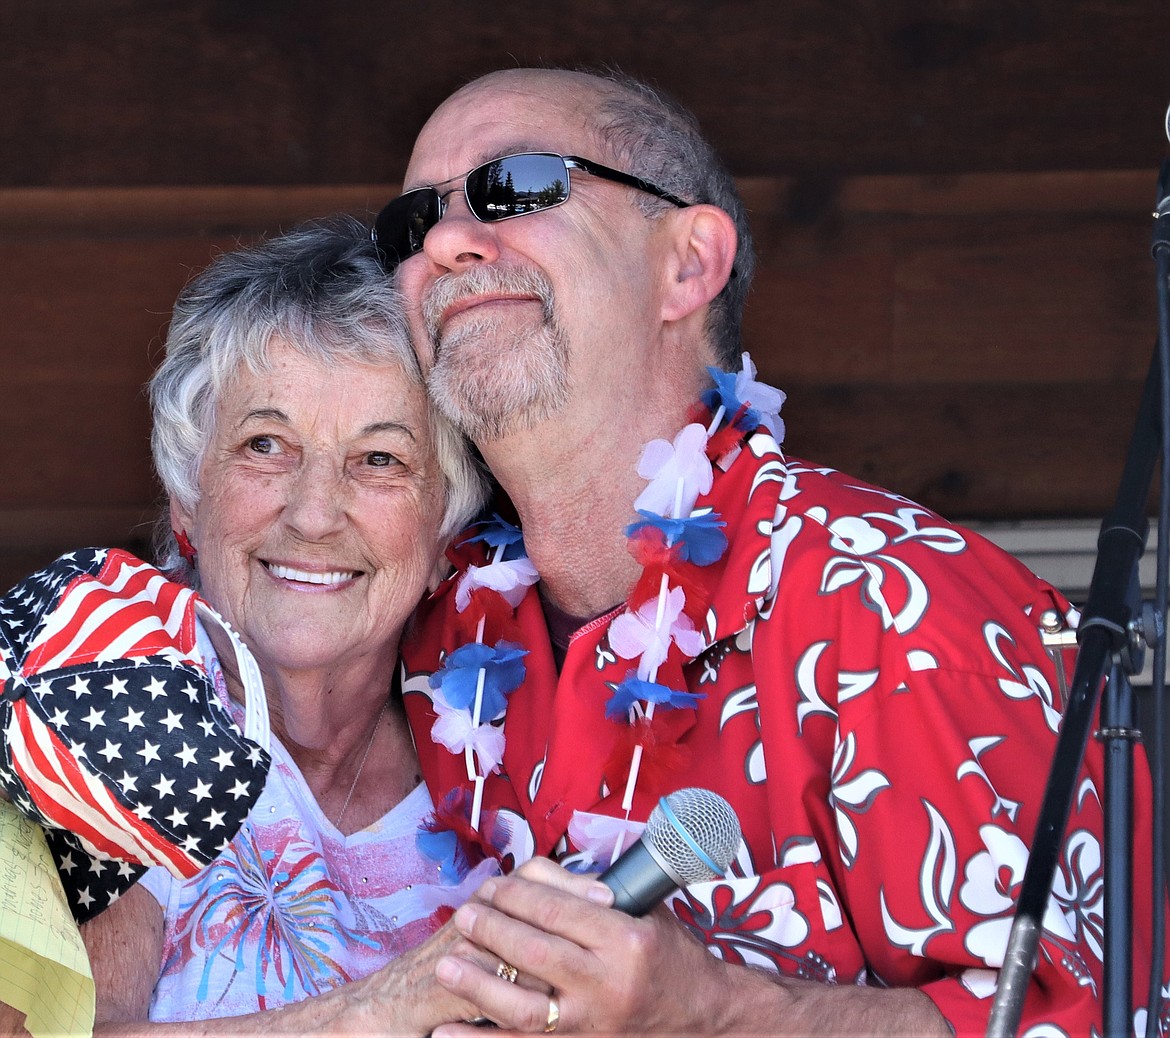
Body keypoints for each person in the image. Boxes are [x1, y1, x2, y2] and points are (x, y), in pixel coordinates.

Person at [379, 68, 1168, 1035]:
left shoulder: (894, 603)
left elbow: (1091, 1021)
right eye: (410, 225)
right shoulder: (415, 624)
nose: (448, 240)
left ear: (688, 264)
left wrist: (714, 1012)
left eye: (519, 186)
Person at [0, 218, 509, 1035]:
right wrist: (374, 1014)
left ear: (446, 531)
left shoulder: (510, 746)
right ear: (188, 497)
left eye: (380, 459)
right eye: (265, 444)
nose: (312, 514)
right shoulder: (97, 701)